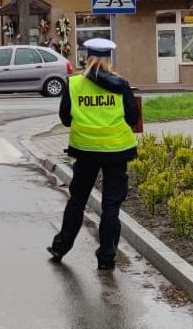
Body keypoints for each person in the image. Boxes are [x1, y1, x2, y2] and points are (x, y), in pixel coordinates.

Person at [48, 38, 139, 271]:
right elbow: (132, 118)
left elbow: (65, 119)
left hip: (86, 152)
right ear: (109, 59)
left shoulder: (74, 84)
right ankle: (107, 257)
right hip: (117, 152)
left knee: (77, 200)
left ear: (86, 57)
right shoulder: (121, 84)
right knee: (111, 205)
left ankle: (61, 247)